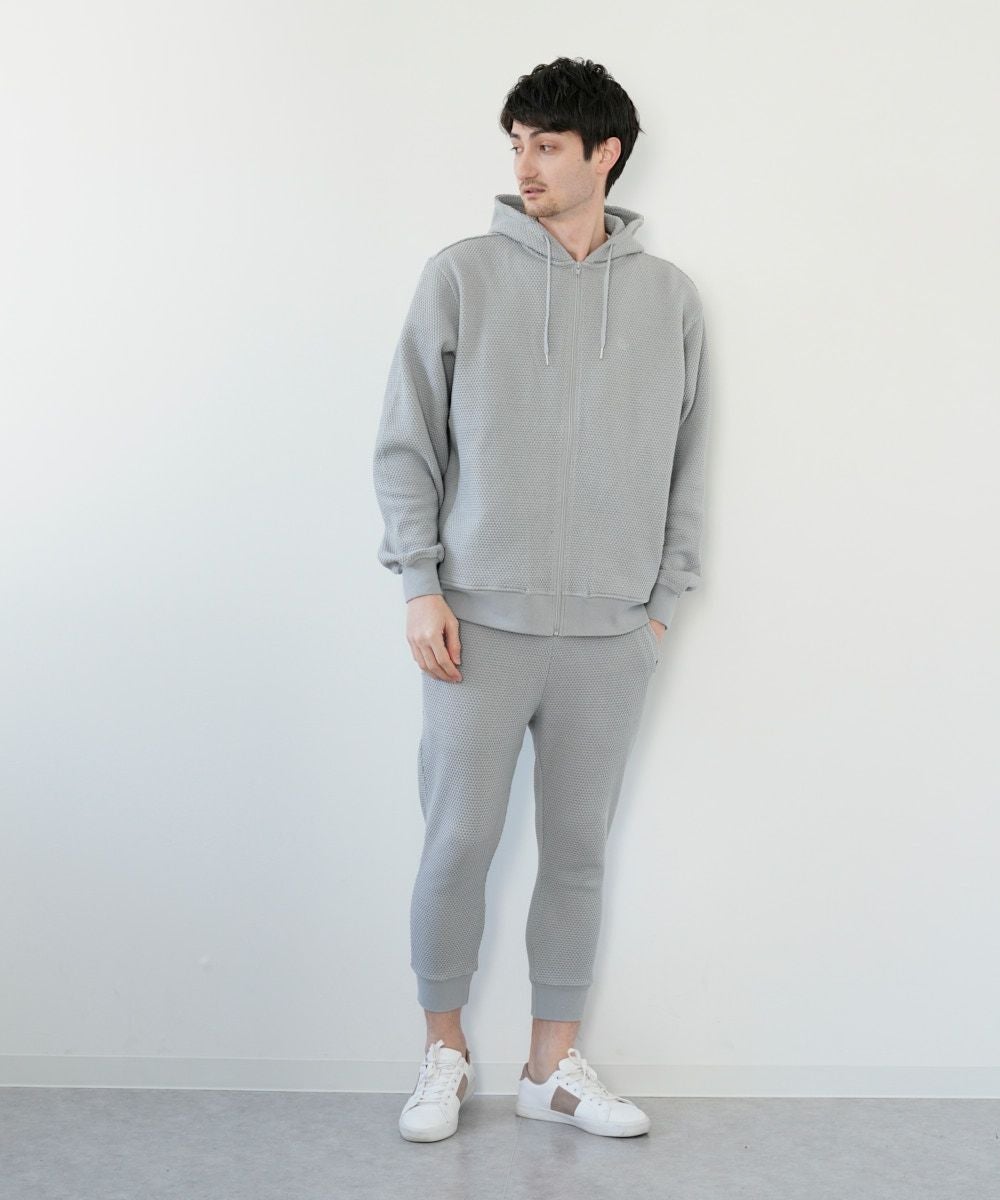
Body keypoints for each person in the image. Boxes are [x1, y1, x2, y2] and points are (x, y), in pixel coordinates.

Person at [373, 56, 712, 1142]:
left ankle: (550, 1069)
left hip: (610, 637)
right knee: (457, 843)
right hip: (476, 626)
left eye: (548, 145)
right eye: (516, 143)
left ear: (604, 154)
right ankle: (443, 1054)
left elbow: (689, 462)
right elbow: (406, 445)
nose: (524, 164)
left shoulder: (668, 298)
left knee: (577, 853)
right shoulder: (462, 274)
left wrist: (658, 607)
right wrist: (420, 584)